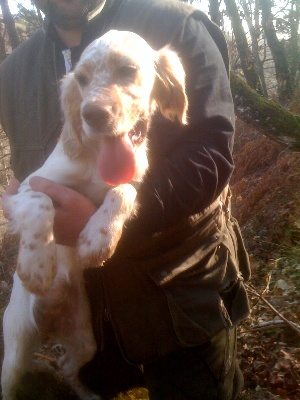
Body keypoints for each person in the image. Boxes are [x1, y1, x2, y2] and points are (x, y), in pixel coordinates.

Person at [0, 0, 251, 399]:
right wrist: (25, 211)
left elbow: (214, 155)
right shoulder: (14, 71)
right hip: (82, 317)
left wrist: (116, 211)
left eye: (127, 72)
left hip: (177, 302)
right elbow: (27, 173)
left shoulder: (174, 22)